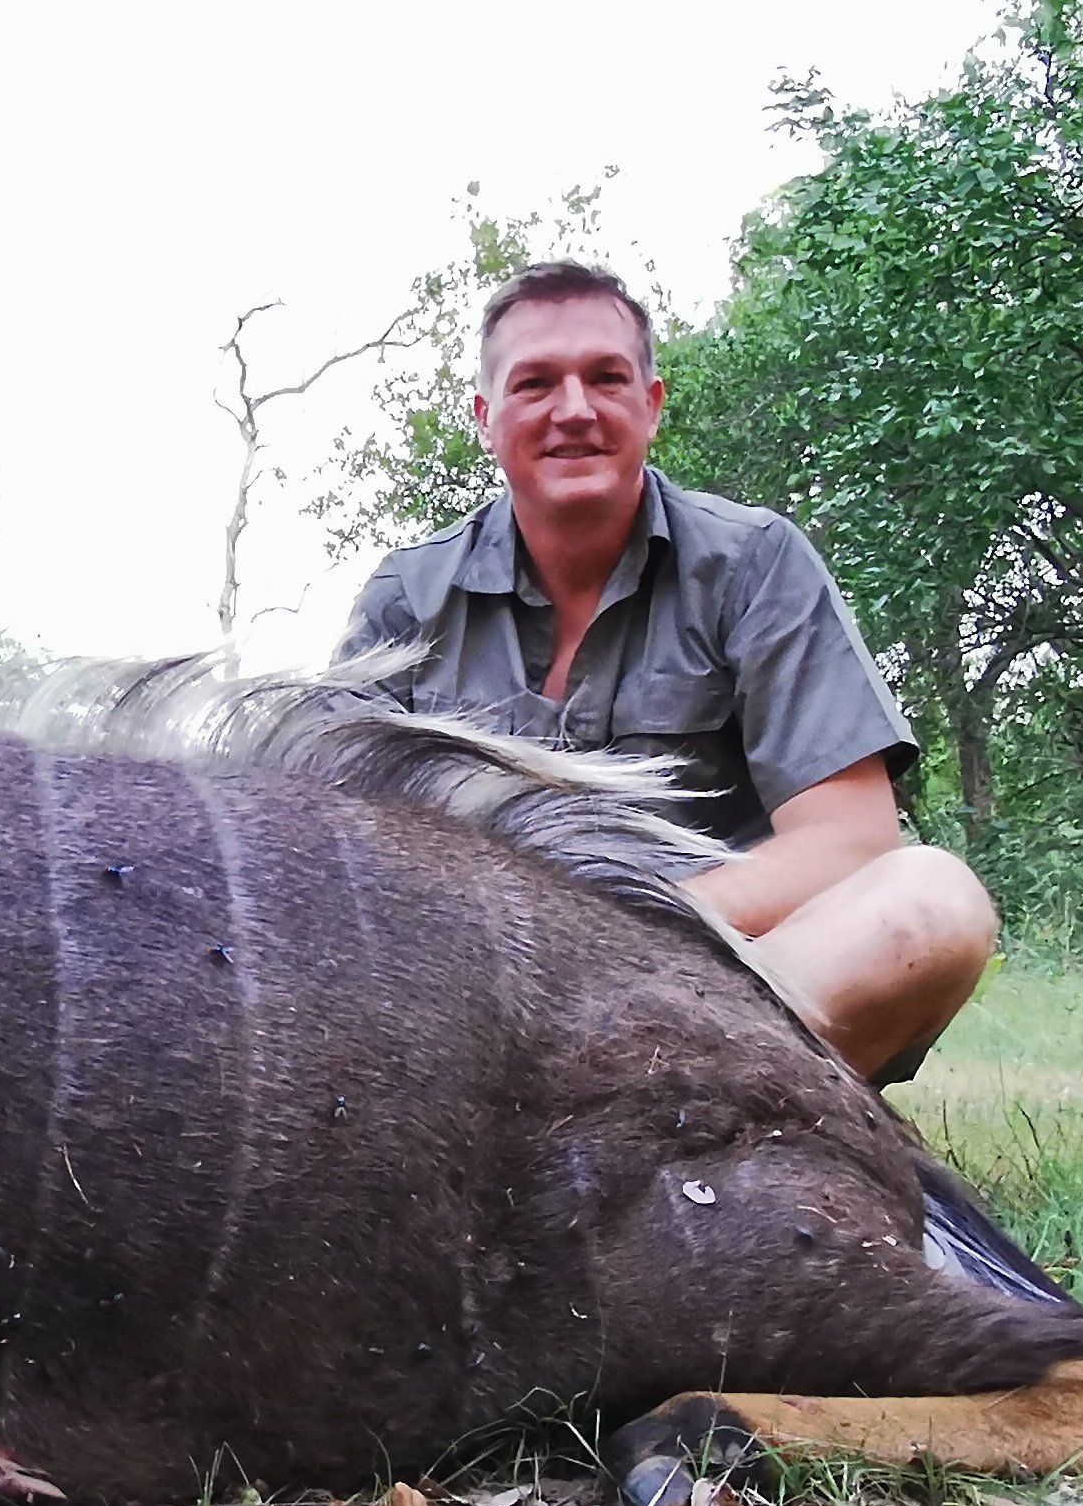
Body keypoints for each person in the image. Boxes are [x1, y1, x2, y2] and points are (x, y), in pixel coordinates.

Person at [335, 260, 995, 1086]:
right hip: (482, 992)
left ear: (650, 405)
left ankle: (650, 1106)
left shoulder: (755, 562)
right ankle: (681, 1130)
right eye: (535, 383)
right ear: (486, 417)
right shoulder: (407, 596)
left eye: (606, 378)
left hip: (720, 981)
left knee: (934, 903)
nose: (573, 410)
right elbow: (339, 855)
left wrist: (625, 934)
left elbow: (851, 842)